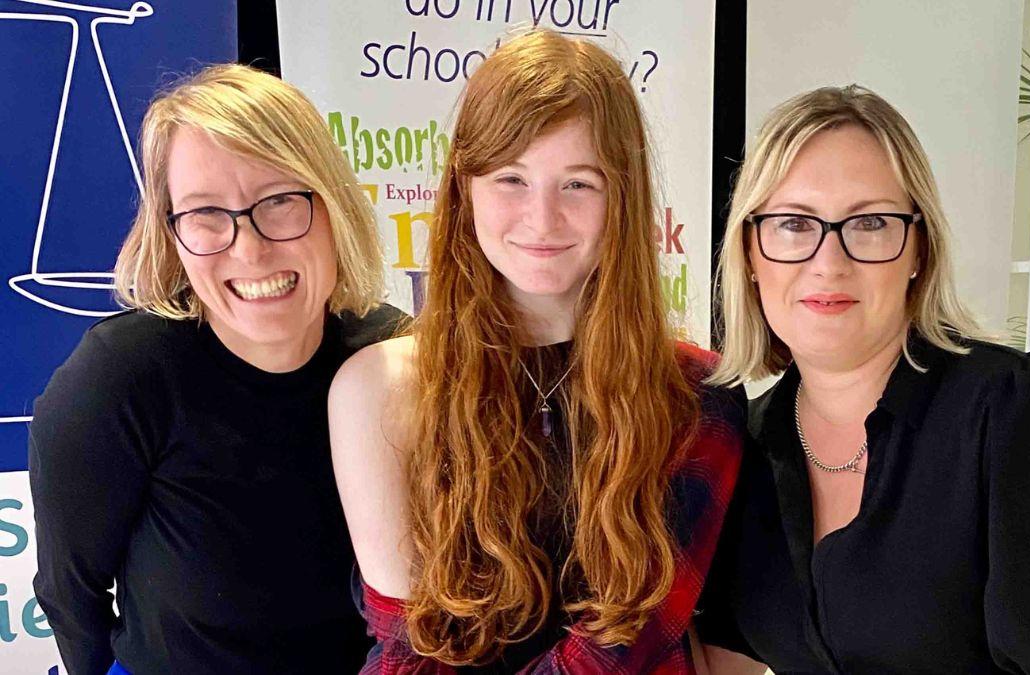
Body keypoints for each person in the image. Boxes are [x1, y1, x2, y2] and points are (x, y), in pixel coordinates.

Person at [328, 29, 743, 674]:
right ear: (465, 188)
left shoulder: (697, 393)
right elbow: (412, 650)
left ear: (622, 200)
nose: (542, 219)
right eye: (511, 178)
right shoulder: (376, 389)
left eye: (578, 184)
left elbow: (622, 650)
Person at [696, 85, 1030, 674]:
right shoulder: (741, 445)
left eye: (871, 222)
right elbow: (723, 657)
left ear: (919, 251)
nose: (829, 261)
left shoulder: (1012, 410)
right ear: (751, 255)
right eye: (793, 224)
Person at [29, 64, 404, 675]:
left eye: (280, 201)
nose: (249, 249)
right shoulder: (120, 379)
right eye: (206, 214)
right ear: (171, 234)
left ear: (333, 204)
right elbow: (73, 597)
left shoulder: (393, 359)